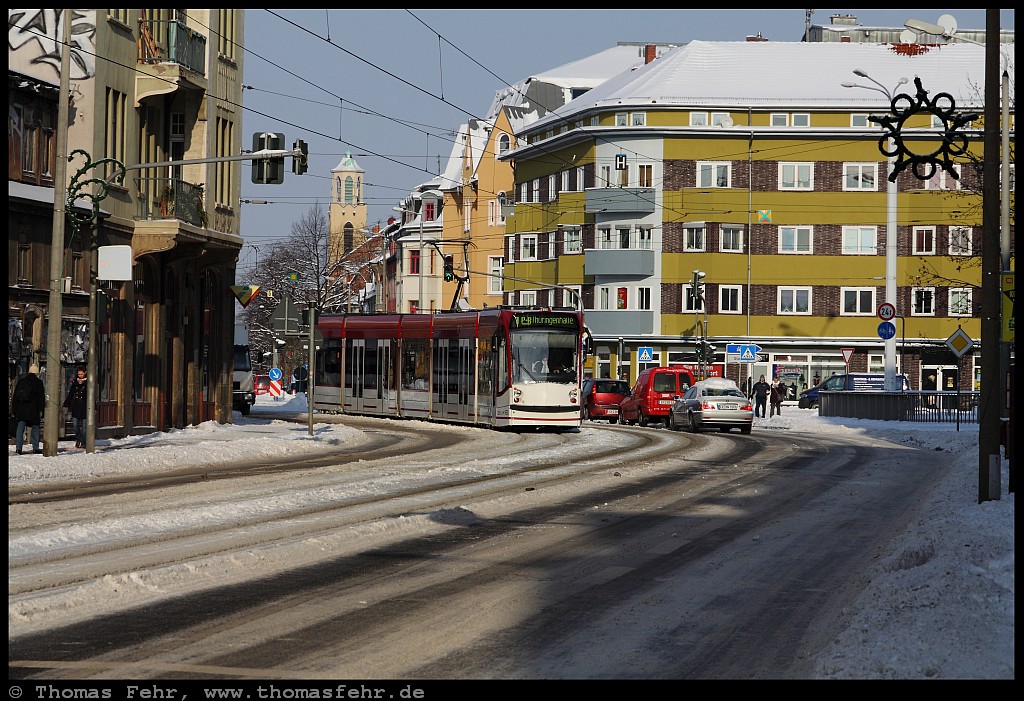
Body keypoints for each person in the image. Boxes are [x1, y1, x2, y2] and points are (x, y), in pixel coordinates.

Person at [11, 363, 45, 454]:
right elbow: (41, 397)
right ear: (37, 373)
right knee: (35, 428)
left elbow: (15, 397)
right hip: (34, 409)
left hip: (21, 409)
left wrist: (14, 410)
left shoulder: (21, 381)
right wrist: (42, 410)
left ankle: (18, 448)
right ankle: (36, 448)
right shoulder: (39, 382)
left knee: (20, 428)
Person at [63, 365, 88, 448]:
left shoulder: (88, 383)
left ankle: (84, 442)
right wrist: (66, 403)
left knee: (84, 427)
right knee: (75, 425)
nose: (80, 376)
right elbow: (70, 394)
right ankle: (79, 439)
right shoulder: (75, 383)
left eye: (81, 374)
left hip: (85, 406)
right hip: (76, 406)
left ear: (85, 373)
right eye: (79, 374)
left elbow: (91, 396)